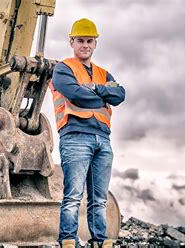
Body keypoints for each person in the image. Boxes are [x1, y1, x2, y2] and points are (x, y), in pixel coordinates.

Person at [49, 18, 125, 248]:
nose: (85, 45)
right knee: (73, 196)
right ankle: (68, 240)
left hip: (103, 139)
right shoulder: (63, 69)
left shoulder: (104, 74)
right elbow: (76, 95)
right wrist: (103, 96)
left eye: (89, 41)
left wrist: (95, 88)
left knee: (99, 199)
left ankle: (99, 241)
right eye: (80, 40)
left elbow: (119, 95)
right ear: (71, 41)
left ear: (95, 44)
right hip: (75, 137)